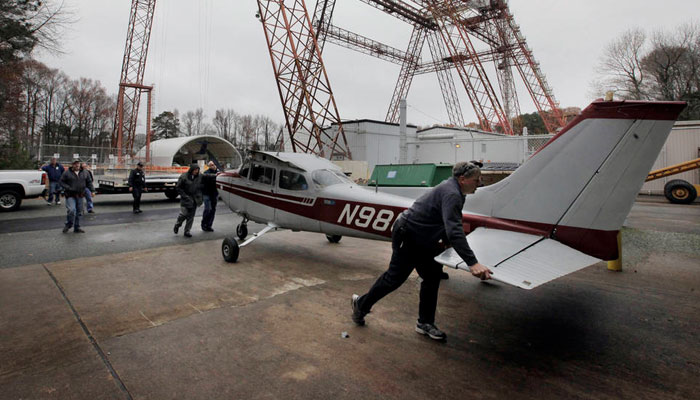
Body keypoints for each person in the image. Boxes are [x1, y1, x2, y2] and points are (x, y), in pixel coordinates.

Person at [351, 161, 492, 341]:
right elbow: (454, 228)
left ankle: (425, 323)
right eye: (476, 180)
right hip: (409, 235)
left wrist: (447, 243)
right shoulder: (452, 193)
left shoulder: (457, 190)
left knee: (432, 278)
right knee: (394, 279)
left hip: (426, 238)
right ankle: (360, 305)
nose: (479, 184)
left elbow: (447, 219)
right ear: (462, 179)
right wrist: (472, 262)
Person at [60, 160, 95, 233]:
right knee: (72, 210)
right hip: (70, 195)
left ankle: (77, 227)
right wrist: (68, 187)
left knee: (79, 212)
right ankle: (68, 224)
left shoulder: (85, 172)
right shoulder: (67, 173)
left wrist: (92, 191)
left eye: (78, 164)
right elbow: (61, 182)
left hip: (80, 195)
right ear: (72, 165)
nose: (77, 165)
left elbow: (89, 182)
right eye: (75, 164)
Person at [173, 164, 203, 238]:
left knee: (191, 216)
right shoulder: (184, 177)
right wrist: (184, 196)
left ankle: (187, 231)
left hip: (194, 199)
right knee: (184, 214)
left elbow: (208, 177)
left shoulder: (200, 176)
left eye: (198, 170)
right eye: (195, 170)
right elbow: (178, 188)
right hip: (185, 199)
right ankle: (177, 224)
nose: (197, 172)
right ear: (191, 170)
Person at [201, 161, 219, 232]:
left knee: (213, 210)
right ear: (208, 166)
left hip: (214, 194)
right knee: (207, 209)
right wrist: (215, 175)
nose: (213, 166)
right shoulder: (206, 173)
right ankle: (204, 224)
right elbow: (207, 177)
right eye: (211, 165)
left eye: (213, 164)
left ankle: (209, 225)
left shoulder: (218, 172)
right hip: (207, 194)